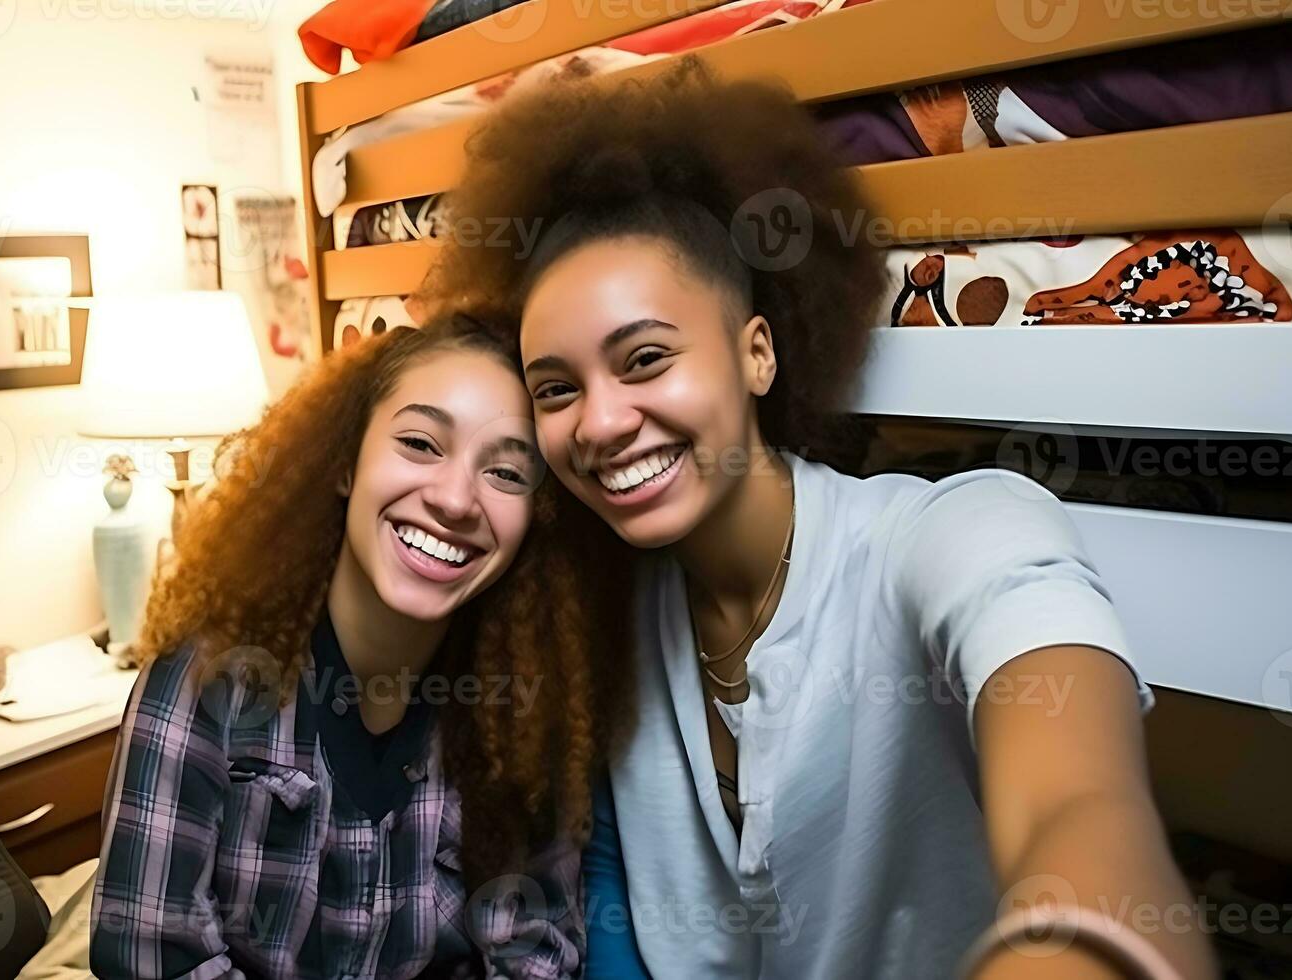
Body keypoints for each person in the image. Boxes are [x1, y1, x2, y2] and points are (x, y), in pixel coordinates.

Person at [419, 59, 1215, 979]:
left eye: (643, 360)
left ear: (756, 353)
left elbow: (1075, 804)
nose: (598, 422)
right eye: (556, 388)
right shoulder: (603, 609)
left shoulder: (948, 536)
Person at [89, 315, 630, 979]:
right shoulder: (209, 678)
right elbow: (150, 958)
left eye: (507, 474)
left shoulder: (521, 710)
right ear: (344, 463)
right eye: (420, 443)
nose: (456, 498)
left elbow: (534, 956)